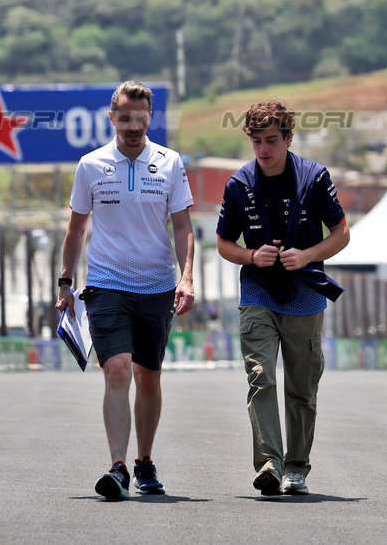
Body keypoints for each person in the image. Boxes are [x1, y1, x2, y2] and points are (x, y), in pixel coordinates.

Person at [56, 80, 196, 501]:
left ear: (149, 118)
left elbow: (184, 227)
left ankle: (144, 462)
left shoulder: (170, 163)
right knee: (116, 370)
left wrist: (186, 277)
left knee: (148, 378)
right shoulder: (91, 165)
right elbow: (77, 228)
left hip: (156, 286)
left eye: (141, 118)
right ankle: (117, 468)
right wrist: (66, 281)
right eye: (124, 117)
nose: (133, 126)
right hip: (106, 284)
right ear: (112, 117)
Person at [216, 101, 349, 498]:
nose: (263, 149)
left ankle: (296, 467)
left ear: (289, 138)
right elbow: (224, 242)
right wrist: (251, 256)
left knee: (302, 389)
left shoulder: (314, 178)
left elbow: (342, 232)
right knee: (261, 376)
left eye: (272, 140)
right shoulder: (238, 185)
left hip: (305, 293)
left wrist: (308, 255)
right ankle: (270, 463)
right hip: (257, 291)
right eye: (256, 141)